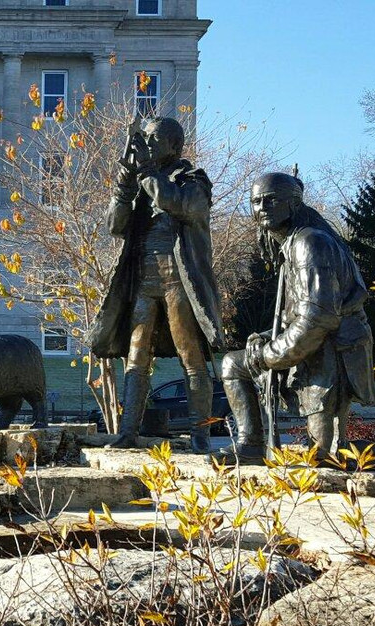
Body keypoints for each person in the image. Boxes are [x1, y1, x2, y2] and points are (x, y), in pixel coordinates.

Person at [220, 172, 375, 461]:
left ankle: (256, 447)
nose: (262, 208)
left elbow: (317, 318)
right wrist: (267, 336)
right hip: (318, 342)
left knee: (324, 455)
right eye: (256, 202)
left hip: (329, 349)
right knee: (234, 363)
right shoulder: (294, 243)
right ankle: (252, 444)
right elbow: (302, 312)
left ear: (293, 204)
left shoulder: (309, 243)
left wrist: (271, 354)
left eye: (271, 200)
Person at [89, 116, 225, 450]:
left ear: (175, 145)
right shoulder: (141, 181)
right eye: (144, 139)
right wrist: (124, 183)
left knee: (191, 356)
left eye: (154, 139)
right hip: (142, 282)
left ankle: (200, 435)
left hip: (180, 279)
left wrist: (147, 173)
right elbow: (114, 226)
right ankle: (128, 432)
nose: (147, 145)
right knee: (136, 358)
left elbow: (180, 205)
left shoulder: (193, 179)